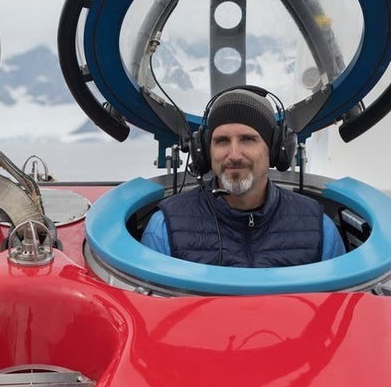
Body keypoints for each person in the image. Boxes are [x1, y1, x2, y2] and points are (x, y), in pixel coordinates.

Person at [141, 86, 346, 267]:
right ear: (204, 150)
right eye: (222, 141)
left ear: (275, 150)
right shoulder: (164, 229)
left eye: (248, 140)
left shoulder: (318, 228)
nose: (234, 155)